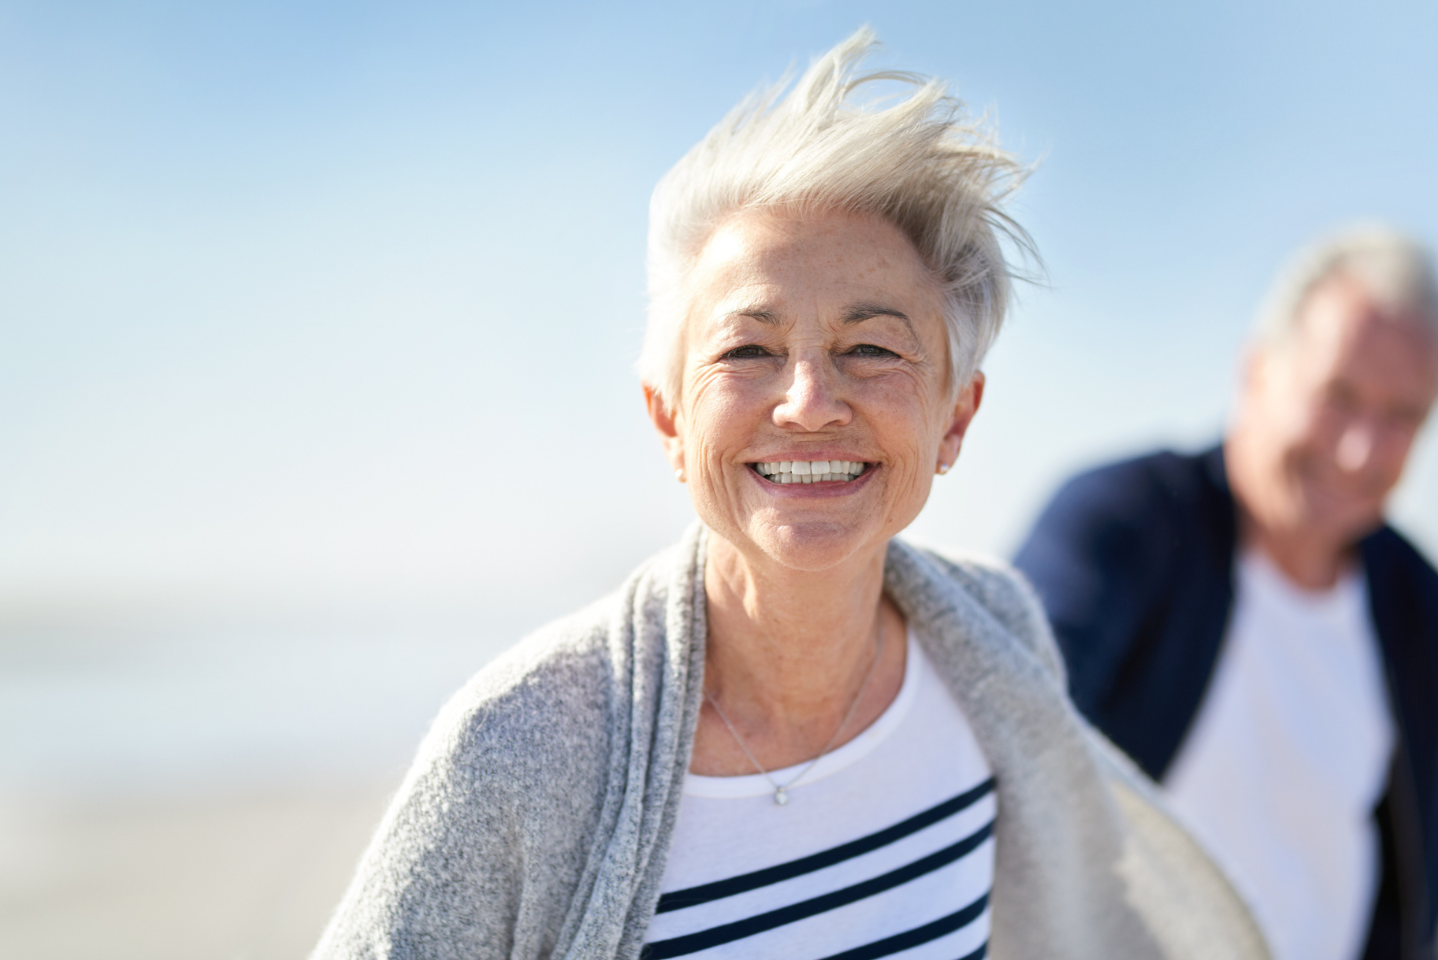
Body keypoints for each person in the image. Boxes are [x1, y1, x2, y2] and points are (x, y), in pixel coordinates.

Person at [313, 31, 1266, 960]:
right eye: (748, 350)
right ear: (669, 421)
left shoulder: (994, 640)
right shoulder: (524, 746)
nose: (809, 403)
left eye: (873, 349)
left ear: (955, 419)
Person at [1014, 227, 1438, 960]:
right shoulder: (1123, 523)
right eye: (1338, 396)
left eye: (1402, 417)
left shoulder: (1416, 603)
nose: (1361, 450)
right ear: (1259, 371)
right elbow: (1006, 729)